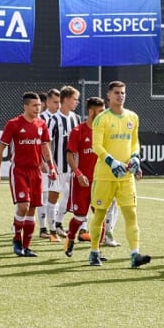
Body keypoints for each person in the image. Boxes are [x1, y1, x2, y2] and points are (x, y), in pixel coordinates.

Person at [88, 80, 152, 268]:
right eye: (116, 92)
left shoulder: (133, 117)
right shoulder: (102, 118)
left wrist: (135, 157)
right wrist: (111, 161)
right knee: (100, 215)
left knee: (131, 214)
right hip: (105, 176)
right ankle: (94, 251)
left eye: (123, 92)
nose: (120, 96)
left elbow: (135, 142)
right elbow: (96, 146)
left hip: (125, 176)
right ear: (108, 95)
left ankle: (135, 254)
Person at [0, 91, 56, 257]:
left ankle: (27, 247)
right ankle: (16, 240)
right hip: (19, 170)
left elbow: (45, 147)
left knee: (32, 209)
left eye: (39, 105)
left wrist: (51, 166)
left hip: (36, 172)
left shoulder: (41, 124)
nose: (38, 108)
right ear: (25, 106)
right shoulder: (14, 124)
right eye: (34, 105)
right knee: (23, 206)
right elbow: (0, 148)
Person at [63, 96, 105, 257]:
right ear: (91, 111)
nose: (103, 114)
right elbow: (70, 156)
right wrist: (78, 174)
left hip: (100, 182)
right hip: (81, 182)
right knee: (80, 217)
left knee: (101, 217)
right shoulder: (78, 131)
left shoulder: (104, 131)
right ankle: (71, 236)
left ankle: (97, 251)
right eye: (100, 111)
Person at [46, 85, 85, 241]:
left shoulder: (76, 118)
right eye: (75, 99)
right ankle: (52, 231)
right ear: (67, 100)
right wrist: (50, 164)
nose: (77, 102)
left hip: (74, 166)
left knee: (71, 195)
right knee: (54, 196)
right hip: (58, 166)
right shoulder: (53, 120)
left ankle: (59, 223)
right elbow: (46, 143)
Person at [38, 88, 61, 239]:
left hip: (57, 164)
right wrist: (43, 161)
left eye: (59, 102)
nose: (58, 105)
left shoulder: (62, 118)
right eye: (55, 102)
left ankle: (55, 226)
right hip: (46, 163)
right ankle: (43, 228)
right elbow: (42, 143)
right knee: (44, 195)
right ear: (47, 102)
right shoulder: (42, 119)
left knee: (56, 195)